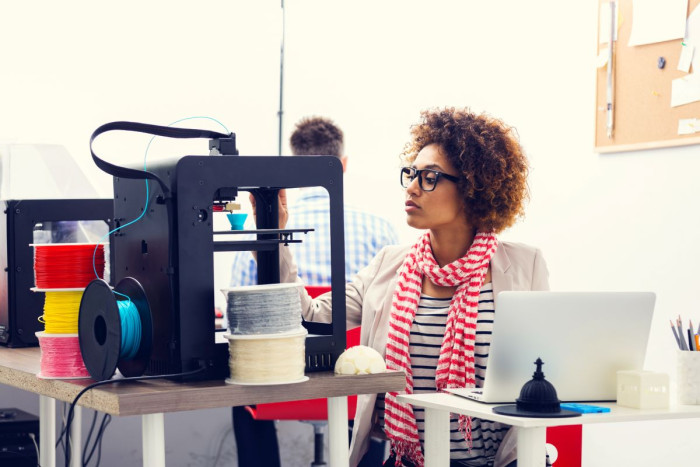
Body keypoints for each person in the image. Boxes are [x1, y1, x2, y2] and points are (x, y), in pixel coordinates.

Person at [273, 107, 549, 467]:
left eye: (430, 177)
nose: (412, 187)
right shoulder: (391, 264)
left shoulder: (523, 266)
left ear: (473, 187)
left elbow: (544, 372)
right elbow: (311, 317)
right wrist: (276, 235)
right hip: (410, 460)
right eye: (411, 174)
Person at [229, 116, 399, 467]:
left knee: (240, 383)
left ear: (292, 164)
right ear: (343, 165)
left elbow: (245, 306)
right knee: (380, 374)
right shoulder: (381, 232)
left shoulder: (267, 224)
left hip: (282, 379)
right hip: (355, 385)